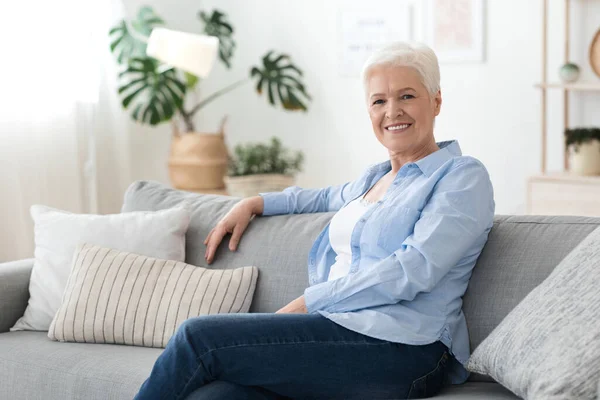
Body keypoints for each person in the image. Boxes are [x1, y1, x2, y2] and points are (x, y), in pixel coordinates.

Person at [134, 41, 495, 400]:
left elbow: (411, 270)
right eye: (379, 101)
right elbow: (320, 197)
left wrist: (311, 301)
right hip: (336, 331)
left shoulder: (460, 176)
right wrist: (254, 202)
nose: (392, 112)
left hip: (406, 349)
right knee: (215, 397)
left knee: (198, 338)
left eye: (407, 96)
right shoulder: (373, 180)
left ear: (436, 101)